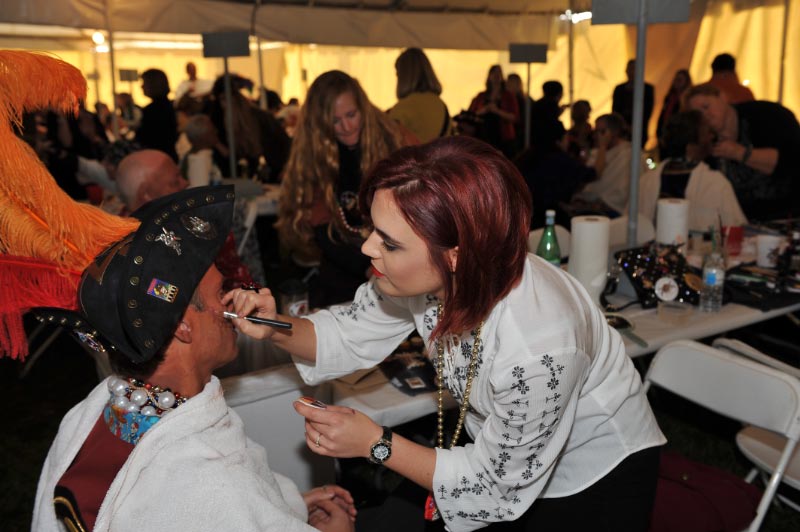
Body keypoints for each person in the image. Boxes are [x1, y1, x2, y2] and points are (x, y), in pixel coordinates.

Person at [227, 136, 665, 531]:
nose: (367, 248)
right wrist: (275, 326)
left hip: (590, 476)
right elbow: (348, 331)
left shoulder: (540, 347)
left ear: (456, 255)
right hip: (495, 456)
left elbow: (495, 487)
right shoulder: (439, 274)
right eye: (373, 231)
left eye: (389, 243)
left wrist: (375, 444)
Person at [27, 186, 356, 532]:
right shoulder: (211, 483)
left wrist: (286, 506)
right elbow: (220, 506)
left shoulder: (92, 414)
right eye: (219, 293)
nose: (232, 301)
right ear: (183, 325)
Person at [277, 70, 410, 308]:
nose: (347, 126)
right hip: (345, 271)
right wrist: (367, 267)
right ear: (320, 124)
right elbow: (321, 230)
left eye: (351, 115)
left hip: (401, 265)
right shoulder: (313, 158)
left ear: (363, 109)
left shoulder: (395, 140)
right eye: (335, 121)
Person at [115, 149, 256, 290]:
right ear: (146, 195)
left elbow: (241, 284)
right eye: (175, 182)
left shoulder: (203, 227)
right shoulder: (117, 248)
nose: (186, 183)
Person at [686, 83, 800, 221]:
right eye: (698, 114)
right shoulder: (706, 142)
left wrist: (739, 153)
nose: (705, 116)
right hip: (742, 222)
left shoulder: (767, 116)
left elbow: (790, 161)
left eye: (706, 106)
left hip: (786, 216)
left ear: (723, 97)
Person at [637, 110, 747, 232]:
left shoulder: (646, 181)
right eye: (707, 132)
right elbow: (736, 231)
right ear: (692, 144)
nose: (712, 136)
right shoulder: (715, 183)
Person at [574, 112, 643, 216]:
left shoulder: (629, 154)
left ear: (614, 132)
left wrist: (602, 202)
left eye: (602, 132)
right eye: (595, 132)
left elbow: (623, 192)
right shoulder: (596, 153)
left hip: (612, 211)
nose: (597, 136)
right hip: (590, 206)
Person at [388, 47, 450, 143]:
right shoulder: (441, 105)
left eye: (398, 74)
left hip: (411, 158)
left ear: (404, 76)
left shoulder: (404, 106)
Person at [468, 65, 519, 157]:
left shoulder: (508, 96)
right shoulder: (481, 96)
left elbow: (514, 117)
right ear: (489, 76)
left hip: (504, 139)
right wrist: (484, 110)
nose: (496, 76)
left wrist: (497, 111)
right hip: (483, 138)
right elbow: (470, 115)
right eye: (494, 73)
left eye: (499, 73)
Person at [136, 69, 178, 162]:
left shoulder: (153, 110)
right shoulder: (168, 106)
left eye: (144, 83)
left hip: (157, 158)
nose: (142, 86)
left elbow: (147, 138)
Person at [612, 59, 655, 148]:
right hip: (622, 130)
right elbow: (615, 110)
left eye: (634, 69)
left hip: (640, 129)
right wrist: (623, 125)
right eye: (630, 69)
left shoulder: (647, 89)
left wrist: (635, 126)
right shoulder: (619, 89)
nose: (632, 72)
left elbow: (647, 110)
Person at [655, 69, 692, 146]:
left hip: (678, 134)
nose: (677, 82)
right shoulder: (670, 97)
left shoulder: (687, 99)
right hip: (666, 132)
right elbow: (663, 115)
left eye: (680, 80)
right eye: (676, 79)